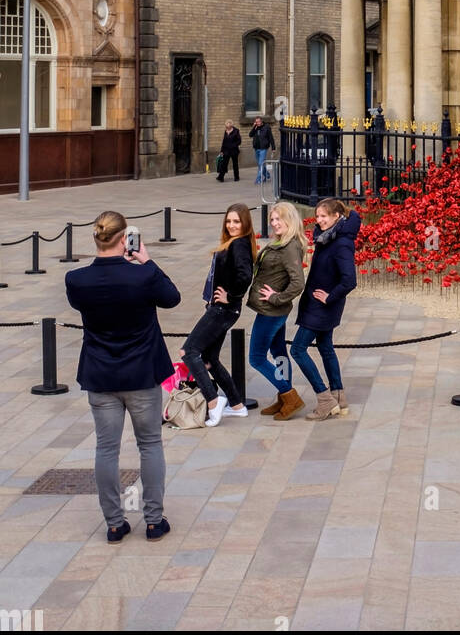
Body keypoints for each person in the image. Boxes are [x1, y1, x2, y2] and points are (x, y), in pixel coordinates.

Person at [65, 211, 180, 543]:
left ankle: (115, 523)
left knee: (106, 449)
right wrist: (147, 261)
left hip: (101, 375)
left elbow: (81, 305)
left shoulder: (76, 279)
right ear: (124, 239)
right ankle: (154, 520)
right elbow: (172, 298)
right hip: (142, 373)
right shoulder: (141, 276)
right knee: (150, 444)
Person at [180, 205, 255, 427]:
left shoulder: (240, 244)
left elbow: (245, 276)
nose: (232, 225)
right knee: (209, 358)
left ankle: (213, 401)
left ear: (245, 224)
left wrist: (230, 296)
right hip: (222, 308)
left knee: (189, 351)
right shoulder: (233, 243)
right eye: (229, 221)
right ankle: (237, 405)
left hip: (223, 309)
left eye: (237, 222)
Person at [290, 198, 360, 421]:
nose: (319, 220)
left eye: (324, 216)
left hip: (321, 307)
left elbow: (349, 280)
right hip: (318, 304)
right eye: (317, 216)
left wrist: (330, 297)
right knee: (325, 346)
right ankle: (339, 397)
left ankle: (325, 399)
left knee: (298, 349)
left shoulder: (341, 242)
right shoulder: (327, 237)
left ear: (337, 217)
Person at [247, 202, 306, 420]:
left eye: (279, 219)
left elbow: (298, 283)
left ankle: (290, 397)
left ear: (289, 219)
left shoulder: (289, 247)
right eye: (272, 219)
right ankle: (284, 396)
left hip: (271, 311)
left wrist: (275, 297)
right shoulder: (281, 242)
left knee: (256, 358)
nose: (274, 223)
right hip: (272, 310)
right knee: (279, 352)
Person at [249, 116, 276, 185]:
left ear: (261, 121)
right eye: (256, 122)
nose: (257, 123)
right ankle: (267, 174)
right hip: (256, 148)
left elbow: (271, 138)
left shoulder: (266, 127)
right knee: (260, 164)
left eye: (258, 122)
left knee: (261, 163)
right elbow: (250, 135)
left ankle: (259, 179)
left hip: (263, 148)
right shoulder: (255, 128)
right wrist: (253, 128)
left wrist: (273, 148)